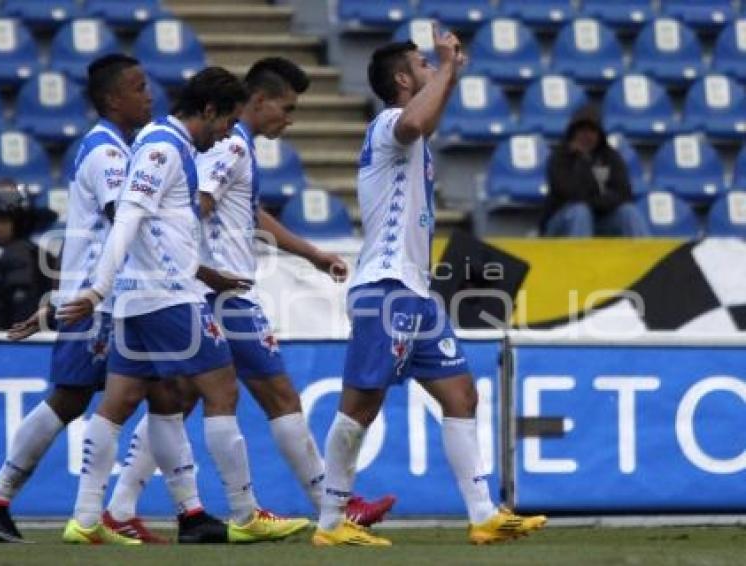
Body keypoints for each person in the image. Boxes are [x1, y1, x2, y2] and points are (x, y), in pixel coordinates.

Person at [101, 57, 396, 536]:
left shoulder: (237, 146)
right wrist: (195, 267)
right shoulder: (232, 145)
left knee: (180, 401)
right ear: (258, 101)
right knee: (275, 394)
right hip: (223, 293)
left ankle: (118, 508)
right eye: (287, 107)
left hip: (211, 289)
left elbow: (249, 212)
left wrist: (311, 253)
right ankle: (329, 507)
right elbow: (194, 204)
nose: (291, 119)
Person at [312, 33, 548, 546]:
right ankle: (330, 523)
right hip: (385, 287)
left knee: (461, 394)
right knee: (361, 405)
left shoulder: (415, 132)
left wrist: (448, 71)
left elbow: (429, 115)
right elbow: (418, 118)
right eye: (420, 64)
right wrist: (446, 65)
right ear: (403, 79)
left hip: (416, 293)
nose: (430, 68)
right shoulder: (388, 125)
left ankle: (484, 515)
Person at [57, 66, 309, 546]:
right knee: (222, 393)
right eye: (225, 122)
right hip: (166, 297)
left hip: (140, 297)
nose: (226, 135)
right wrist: (95, 290)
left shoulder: (169, 146)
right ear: (208, 111)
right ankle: (244, 510)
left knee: (139, 402)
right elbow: (128, 216)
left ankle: (88, 518)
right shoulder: (162, 148)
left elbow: (166, 228)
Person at [0, 54, 153, 543]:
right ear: (114, 99)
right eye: (138, 87)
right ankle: (9, 501)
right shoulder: (108, 154)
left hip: (106, 298)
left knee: (163, 393)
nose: (148, 96)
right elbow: (125, 220)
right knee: (74, 399)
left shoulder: (113, 148)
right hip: (99, 303)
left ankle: (118, 510)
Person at [542, 105, 650, 237]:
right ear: (573, 133)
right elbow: (570, 193)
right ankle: (580, 257)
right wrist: (583, 160)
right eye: (581, 130)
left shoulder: (611, 157)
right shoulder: (559, 157)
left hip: (601, 219)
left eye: (592, 131)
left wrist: (595, 201)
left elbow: (624, 194)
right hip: (562, 222)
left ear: (599, 135)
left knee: (629, 212)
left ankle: (647, 255)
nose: (586, 136)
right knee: (580, 212)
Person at [0, 180, 58, 331]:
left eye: (2, 221)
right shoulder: (44, 255)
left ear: (20, 222)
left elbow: (22, 315)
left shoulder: (14, 258)